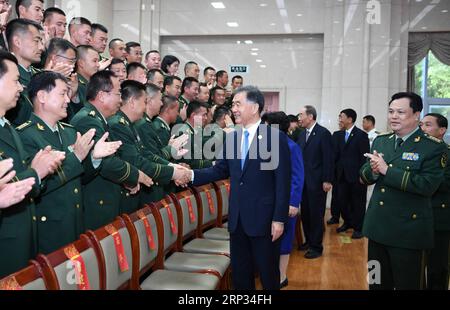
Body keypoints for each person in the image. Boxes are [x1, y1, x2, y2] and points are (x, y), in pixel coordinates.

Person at [189, 86, 291, 290]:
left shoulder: (274, 138)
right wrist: (190, 175)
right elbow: (219, 171)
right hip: (238, 221)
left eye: (238, 104)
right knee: (241, 276)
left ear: (254, 108)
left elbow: (282, 181)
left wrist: (279, 219)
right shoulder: (233, 138)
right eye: (233, 104)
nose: (233, 109)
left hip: (265, 221)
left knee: (268, 275)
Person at [17, 71, 120, 253]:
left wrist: (94, 159)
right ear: (42, 96)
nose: (68, 99)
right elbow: (41, 184)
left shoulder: (69, 131)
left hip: (75, 221)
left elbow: (80, 178)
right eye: (62, 93)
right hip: (49, 227)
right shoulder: (26, 135)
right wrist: (77, 157)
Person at [360, 92, 447, 290]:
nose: (394, 116)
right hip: (377, 229)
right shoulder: (382, 141)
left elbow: (427, 186)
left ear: (416, 115)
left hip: (408, 233)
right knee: (376, 283)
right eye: (391, 111)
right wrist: (373, 172)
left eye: (400, 112)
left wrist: (386, 170)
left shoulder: (433, 147)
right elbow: (364, 174)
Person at [0, 51, 64, 277]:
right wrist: (36, 173)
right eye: (16, 81)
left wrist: (37, 173)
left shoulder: (6, 125)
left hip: (23, 232)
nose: (20, 88)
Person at [70, 70, 153, 230]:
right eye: (117, 94)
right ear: (102, 95)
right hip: (96, 203)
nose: (121, 100)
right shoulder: (88, 120)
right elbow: (107, 163)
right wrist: (136, 175)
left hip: (107, 199)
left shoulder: (100, 119)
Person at [108, 80, 186, 213]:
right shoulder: (118, 125)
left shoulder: (129, 124)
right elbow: (137, 161)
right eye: (144, 102)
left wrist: (173, 167)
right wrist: (174, 173)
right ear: (132, 102)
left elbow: (145, 154)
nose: (145, 108)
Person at [263, 111, 304, 289]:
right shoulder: (265, 146)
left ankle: (282, 276)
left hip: (286, 203)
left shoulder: (291, 147)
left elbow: (297, 176)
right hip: (268, 202)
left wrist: (293, 202)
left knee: (285, 241)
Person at [297, 105, 333, 259]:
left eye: (301, 115)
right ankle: (309, 241)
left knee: (316, 214)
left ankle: (316, 247)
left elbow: (328, 159)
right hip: (303, 182)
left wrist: (327, 180)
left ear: (310, 116)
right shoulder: (301, 133)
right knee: (305, 213)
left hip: (317, 182)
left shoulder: (323, 133)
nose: (299, 118)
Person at [420, 113, 449, 290]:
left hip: (439, 217)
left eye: (428, 125)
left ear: (442, 130)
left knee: (437, 267)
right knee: (414, 268)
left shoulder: (446, 153)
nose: (423, 129)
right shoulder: (417, 153)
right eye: (421, 124)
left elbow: (443, 183)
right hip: (415, 218)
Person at [333, 109, 370, 239]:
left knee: (357, 203)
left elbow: (364, 158)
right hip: (341, 176)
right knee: (342, 201)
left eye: (341, 117)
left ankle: (359, 228)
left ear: (349, 119)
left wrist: (362, 176)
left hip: (356, 177)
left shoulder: (361, 135)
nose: (339, 120)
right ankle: (347, 222)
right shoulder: (337, 135)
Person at [5, 18, 44, 126]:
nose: (42, 47)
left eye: (41, 42)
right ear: (17, 42)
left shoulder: (39, 74)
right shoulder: (4, 74)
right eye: (36, 41)